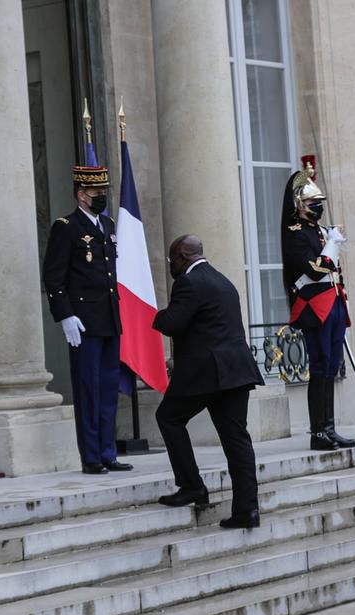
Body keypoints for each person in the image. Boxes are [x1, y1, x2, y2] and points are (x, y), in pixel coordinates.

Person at [153, 235, 264, 529]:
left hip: (207, 375)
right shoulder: (222, 280)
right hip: (236, 373)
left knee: (168, 417)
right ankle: (247, 510)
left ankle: (192, 485)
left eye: (172, 260)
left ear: (183, 257)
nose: (171, 266)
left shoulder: (188, 283)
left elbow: (173, 323)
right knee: (237, 440)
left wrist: (152, 315)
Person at [42, 165, 132, 475]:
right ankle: (92, 456)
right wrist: (65, 314)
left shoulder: (106, 224)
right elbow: (54, 276)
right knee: (88, 389)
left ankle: (108, 451)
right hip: (83, 321)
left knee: (108, 389)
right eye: (97, 194)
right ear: (82, 195)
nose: (102, 198)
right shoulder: (66, 227)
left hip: (108, 317)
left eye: (103, 193)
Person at [280, 155, 355, 451]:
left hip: (334, 303)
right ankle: (318, 433)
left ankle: (330, 427)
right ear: (300, 205)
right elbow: (313, 270)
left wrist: (331, 241)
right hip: (315, 306)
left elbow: (334, 272)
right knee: (321, 366)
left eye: (319, 201)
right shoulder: (295, 234)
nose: (318, 207)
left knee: (333, 365)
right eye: (313, 203)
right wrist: (332, 246)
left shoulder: (321, 232)